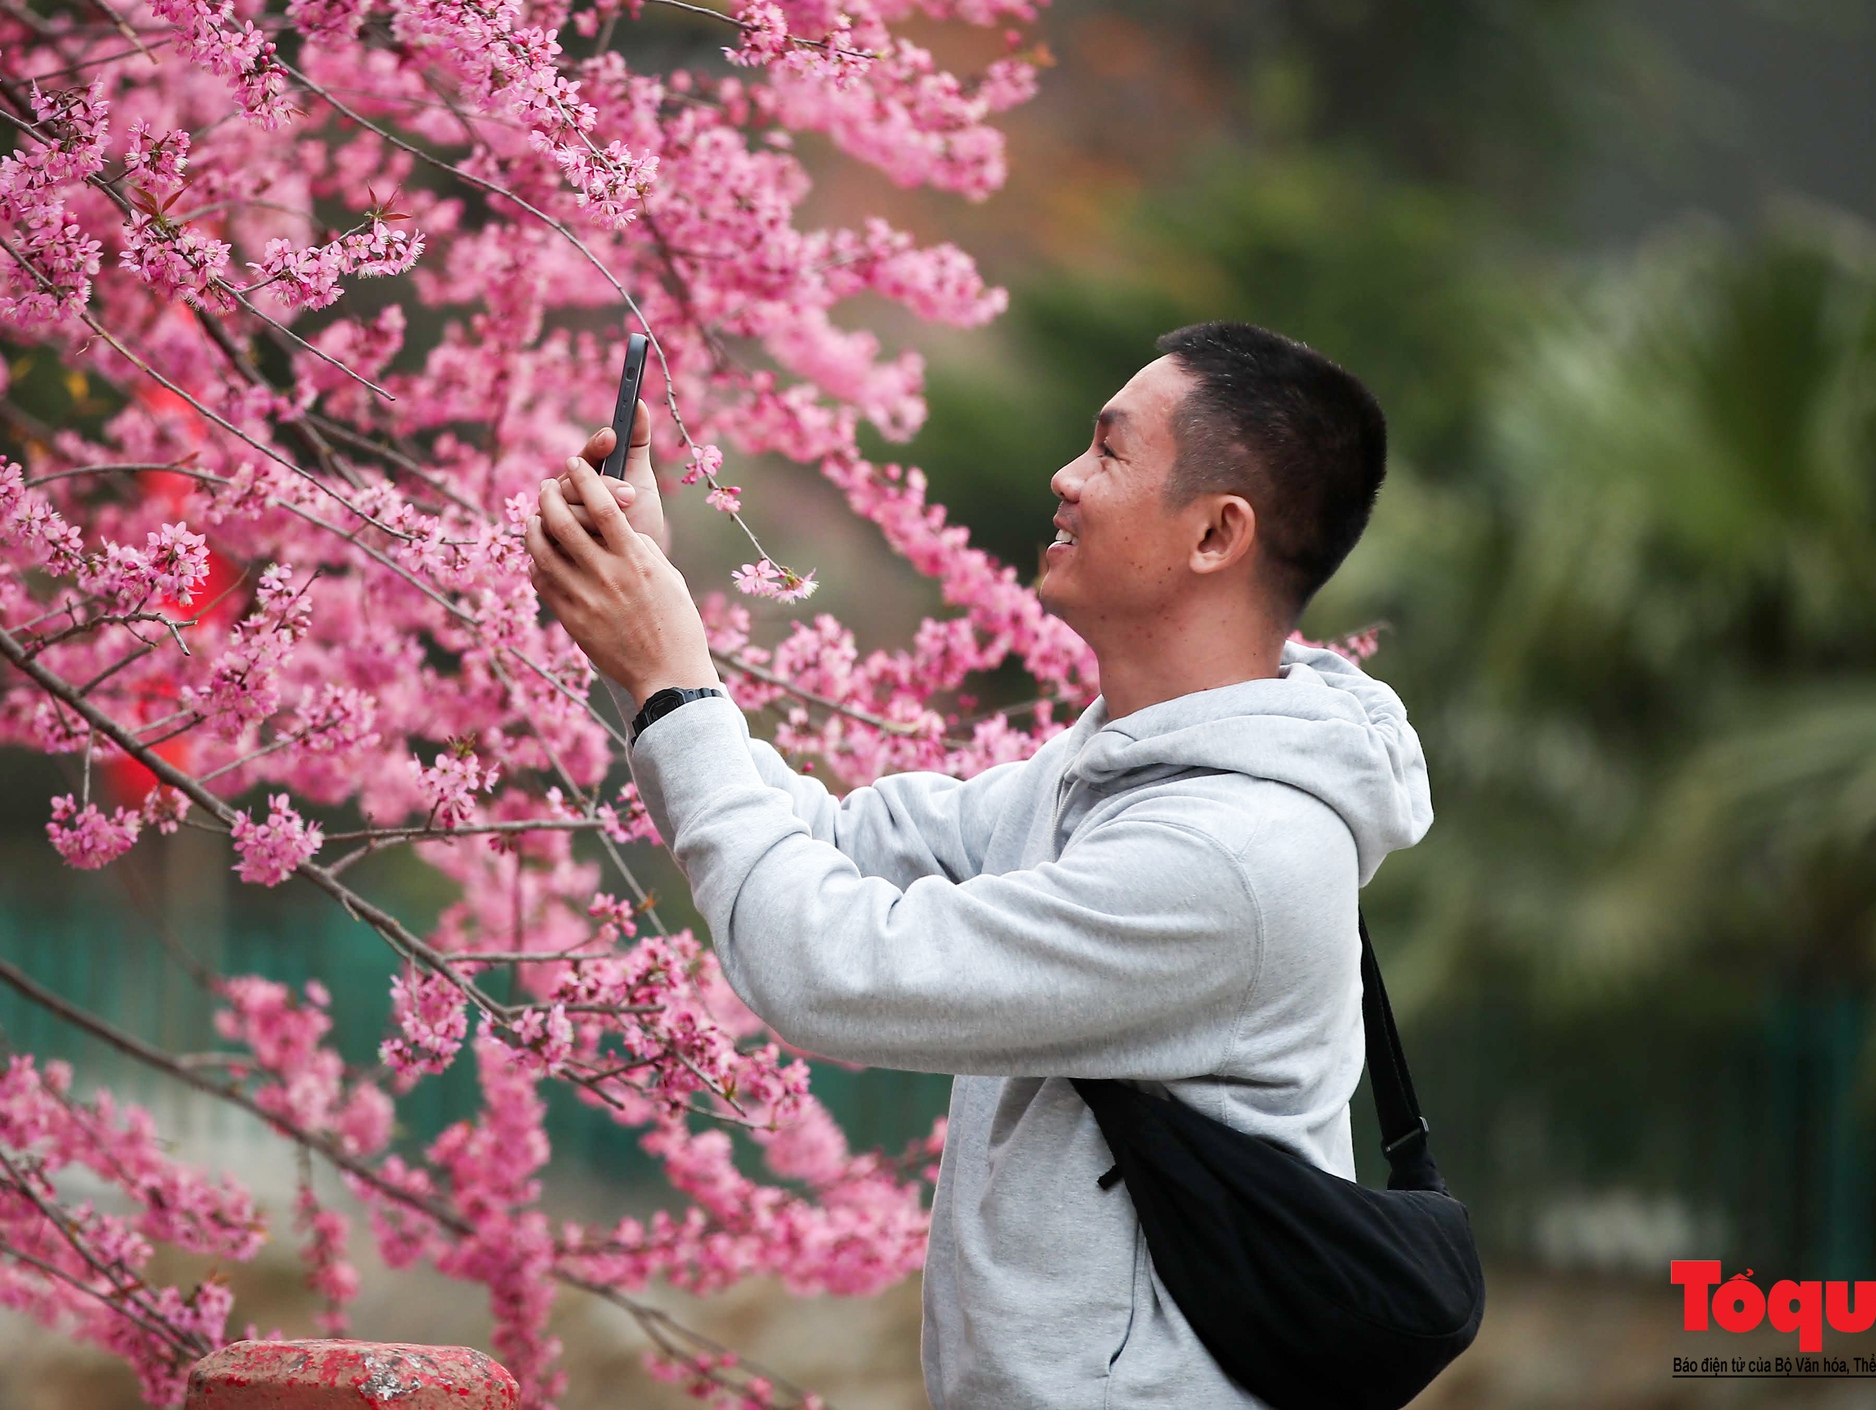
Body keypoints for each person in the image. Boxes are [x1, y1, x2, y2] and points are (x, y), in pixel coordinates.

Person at [522, 321, 1432, 1409]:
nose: (1065, 475)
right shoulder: (1108, 777)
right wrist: (652, 635)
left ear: (1213, 533)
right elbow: (827, 839)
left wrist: (671, 678)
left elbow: (829, 965)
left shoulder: (1226, 856)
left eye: (1107, 451)